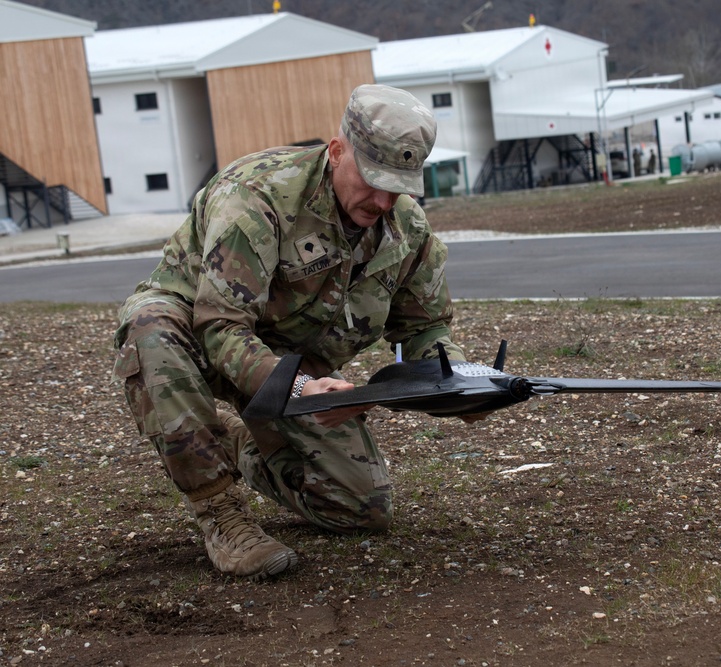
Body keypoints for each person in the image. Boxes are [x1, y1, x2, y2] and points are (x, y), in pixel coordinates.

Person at [112, 84, 471, 580]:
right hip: (198, 331)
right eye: (372, 178)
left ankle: (239, 444)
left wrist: (462, 380)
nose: (384, 199)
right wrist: (303, 387)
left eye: (400, 184)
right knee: (151, 329)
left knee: (359, 508)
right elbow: (220, 325)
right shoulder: (256, 197)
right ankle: (220, 513)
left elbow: (425, 326)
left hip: (288, 361)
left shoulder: (406, 229)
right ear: (338, 150)